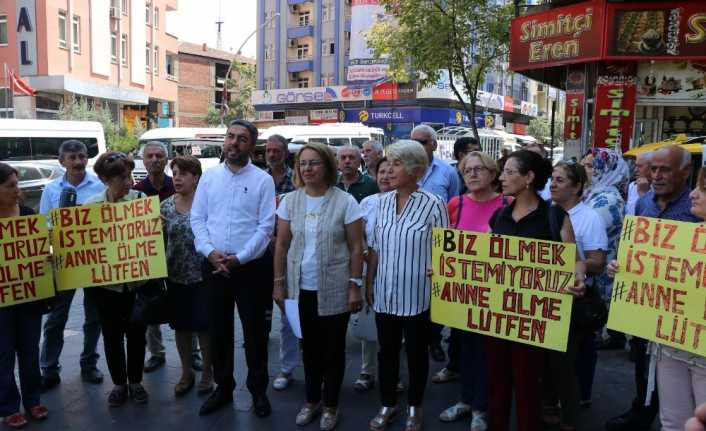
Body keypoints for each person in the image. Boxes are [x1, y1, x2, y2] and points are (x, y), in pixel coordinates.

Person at [487, 150, 586, 431]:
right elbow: (484, 262)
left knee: (530, 386)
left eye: (509, 172)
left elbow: (575, 259)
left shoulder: (554, 217)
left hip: (534, 321)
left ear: (529, 178)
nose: (502, 177)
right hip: (498, 315)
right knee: (497, 384)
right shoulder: (500, 216)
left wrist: (577, 278)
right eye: (502, 171)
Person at [606, 146, 702, 431]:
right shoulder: (643, 204)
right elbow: (635, 249)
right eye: (653, 169)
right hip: (646, 306)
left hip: (688, 315)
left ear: (686, 172)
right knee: (644, 363)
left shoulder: (697, 207)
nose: (656, 175)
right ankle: (643, 411)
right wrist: (619, 265)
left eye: (665, 170)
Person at [273, 143, 364, 430]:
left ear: (327, 166)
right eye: (302, 163)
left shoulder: (345, 201)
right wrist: (278, 283)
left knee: (333, 350)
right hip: (300, 289)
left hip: (335, 287)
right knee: (308, 348)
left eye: (314, 163)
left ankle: (331, 405)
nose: (307, 169)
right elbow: (282, 244)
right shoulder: (290, 200)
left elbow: (356, 246)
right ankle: (311, 401)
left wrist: (354, 285)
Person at [191, 120, 275, 418]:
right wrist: (210, 252)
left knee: (255, 332)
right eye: (230, 137)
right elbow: (197, 219)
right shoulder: (210, 178)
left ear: (252, 146)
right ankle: (223, 387)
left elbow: (266, 228)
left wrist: (239, 258)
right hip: (213, 266)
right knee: (218, 330)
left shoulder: (263, 180)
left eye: (242, 139)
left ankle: (258, 390)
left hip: (250, 269)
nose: (234, 143)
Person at [366, 140, 450, 431]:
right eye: (388, 163)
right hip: (385, 295)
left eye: (397, 164)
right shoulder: (382, 202)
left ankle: (415, 406)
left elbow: (445, 251)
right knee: (386, 353)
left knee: (416, 356)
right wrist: (369, 284)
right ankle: (388, 403)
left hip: (418, 298)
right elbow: (374, 248)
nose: (389, 169)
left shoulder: (433, 204)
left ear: (415, 170)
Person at [438, 151, 505, 431]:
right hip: (461, 293)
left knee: (487, 352)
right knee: (464, 348)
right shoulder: (455, 204)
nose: (473, 175)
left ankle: (482, 407)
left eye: (479, 169)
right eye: (467, 170)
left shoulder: (507, 204)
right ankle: (466, 399)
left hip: (495, 293)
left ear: (493, 174)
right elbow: (445, 243)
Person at [38, 140, 105, 390]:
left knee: (93, 317)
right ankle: (49, 368)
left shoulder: (100, 187)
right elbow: (44, 226)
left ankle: (89, 364)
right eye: (72, 157)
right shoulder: (51, 190)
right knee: (56, 318)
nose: (78, 162)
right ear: (61, 161)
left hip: (91, 262)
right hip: (63, 263)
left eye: (82, 156)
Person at [85, 152, 149, 407]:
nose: (129, 182)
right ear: (104, 179)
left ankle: (136, 382)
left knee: (136, 335)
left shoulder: (141, 200)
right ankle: (119, 385)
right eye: (122, 178)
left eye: (130, 175)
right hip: (105, 287)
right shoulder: (90, 207)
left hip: (136, 285)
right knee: (111, 337)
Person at [547, 162, 608, 430]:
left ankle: (569, 419)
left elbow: (599, 261)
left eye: (560, 180)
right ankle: (549, 407)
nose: (553, 184)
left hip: (574, 299)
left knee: (565, 366)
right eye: (552, 178)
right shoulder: (547, 213)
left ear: (577, 187)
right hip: (547, 296)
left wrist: (578, 264)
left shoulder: (589, 217)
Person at [0, 163, 49, 428]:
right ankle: (8, 406)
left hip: (29, 296)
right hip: (2, 302)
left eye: (17, 184)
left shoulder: (28, 214)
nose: (18, 190)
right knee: (3, 354)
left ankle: (33, 400)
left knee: (30, 351)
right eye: (11, 185)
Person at [161, 156, 213, 397]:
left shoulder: (207, 205)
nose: (177, 177)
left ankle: (208, 375)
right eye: (174, 172)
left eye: (183, 173)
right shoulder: (165, 207)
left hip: (204, 277)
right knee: (181, 328)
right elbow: (158, 244)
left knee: (204, 327)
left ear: (196, 177)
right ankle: (186, 372)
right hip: (175, 277)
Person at [411, 124, 459, 363]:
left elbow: (455, 206)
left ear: (434, 144)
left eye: (422, 141)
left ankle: (434, 338)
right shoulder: (406, 169)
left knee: (437, 292)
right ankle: (416, 336)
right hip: (410, 241)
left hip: (439, 241)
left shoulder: (447, 172)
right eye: (414, 141)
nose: (418, 146)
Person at [135, 141, 178, 374]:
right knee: (151, 305)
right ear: (143, 160)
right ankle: (157, 353)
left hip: (177, 255)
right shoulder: (137, 191)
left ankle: (193, 353)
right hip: (150, 256)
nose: (154, 159)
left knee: (183, 303)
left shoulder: (177, 185)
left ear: (167, 159)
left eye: (159, 155)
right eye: (149, 156)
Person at [582, 148, 629, 352]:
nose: (585, 170)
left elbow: (584, 234)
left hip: (602, 269)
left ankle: (610, 336)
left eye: (591, 166)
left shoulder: (608, 199)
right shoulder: (593, 193)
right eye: (585, 164)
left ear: (609, 170)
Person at [352, 157, 392, 393]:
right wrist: (365, 251)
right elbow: (358, 233)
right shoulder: (367, 202)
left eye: (390, 171)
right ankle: (367, 370)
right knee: (369, 323)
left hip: (396, 272)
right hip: (370, 271)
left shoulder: (407, 202)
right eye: (381, 172)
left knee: (394, 327)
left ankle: (392, 372)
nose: (385, 176)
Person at [265, 134, 300, 392]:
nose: (272, 154)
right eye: (269, 150)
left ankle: (290, 368)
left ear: (285, 153)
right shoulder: (259, 179)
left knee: (291, 314)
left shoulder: (296, 181)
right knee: (264, 312)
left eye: (277, 150)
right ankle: (284, 367)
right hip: (260, 254)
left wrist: (282, 237)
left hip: (291, 255)